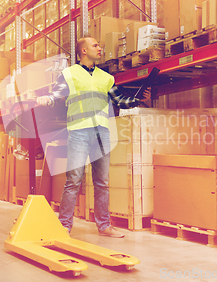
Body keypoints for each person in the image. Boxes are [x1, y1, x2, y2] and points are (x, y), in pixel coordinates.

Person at [36, 37, 151, 238]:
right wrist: (48, 98)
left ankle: (104, 226)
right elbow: (57, 93)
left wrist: (138, 99)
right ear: (83, 50)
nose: (100, 48)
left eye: (99, 44)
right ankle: (64, 226)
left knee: (102, 182)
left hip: (101, 133)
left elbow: (119, 100)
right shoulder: (69, 74)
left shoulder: (106, 77)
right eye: (95, 45)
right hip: (79, 132)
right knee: (73, 180)